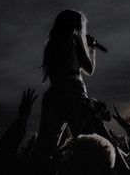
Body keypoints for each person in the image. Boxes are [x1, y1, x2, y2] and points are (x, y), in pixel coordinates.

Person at [35, 9, 97, 171]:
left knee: (47, 145)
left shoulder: (51, 44)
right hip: (74, 90)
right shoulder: (75, 39)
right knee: (86, 141)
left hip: (54, 93)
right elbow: (89, 69)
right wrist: (90, 47)